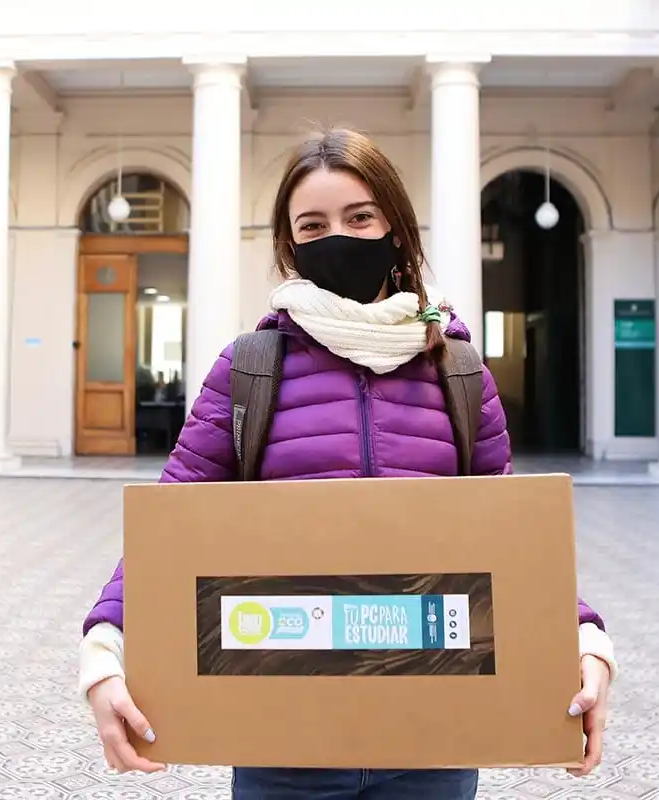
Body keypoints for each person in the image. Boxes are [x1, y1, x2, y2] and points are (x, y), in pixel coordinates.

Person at [80, 128, 617, 799]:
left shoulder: (458, 372)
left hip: (435, 735)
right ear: (290, 244)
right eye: (314, 224)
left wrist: (584, 641)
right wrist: (104, 651)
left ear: (394, 225)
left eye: (359, 217)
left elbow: (512, 540)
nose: (338, 236)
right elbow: (170, 524)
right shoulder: (250, 368)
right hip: (282, 738)